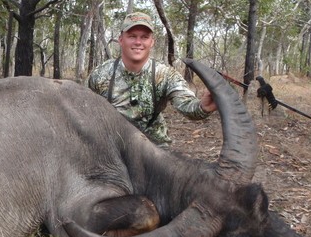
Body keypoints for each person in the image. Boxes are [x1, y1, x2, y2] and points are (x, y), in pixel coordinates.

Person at [87, 12, 217, 145]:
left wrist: (204, 106)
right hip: (113, 149)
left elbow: (187, 105)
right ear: (121, 40)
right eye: (132, 36)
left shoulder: (165, 74)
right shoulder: (101, 74)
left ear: (152, 42)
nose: (138, 42)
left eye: (144, 37)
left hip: (155, 149)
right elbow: (83, 110)